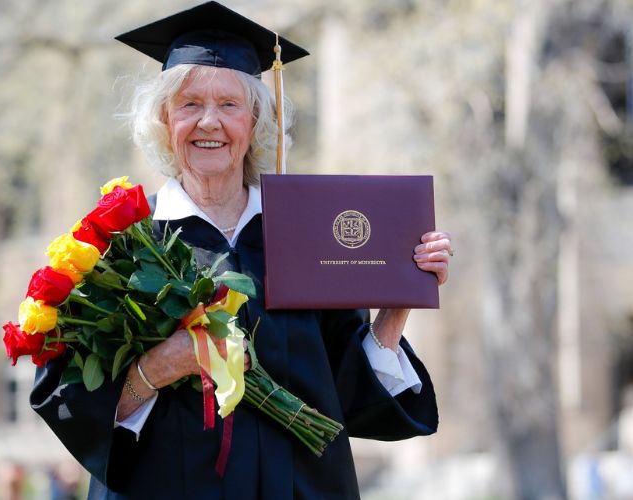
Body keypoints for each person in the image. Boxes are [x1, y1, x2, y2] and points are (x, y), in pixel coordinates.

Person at [31, 2, 453, 499]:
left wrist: (397, 302)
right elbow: (73, 406)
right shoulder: (119, 245)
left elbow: (349, 398)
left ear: (254, 122)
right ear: (165, 121)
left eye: (229, 105)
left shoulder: (306, 234)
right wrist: (157, 367)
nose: (209, 121)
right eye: (189, 105)